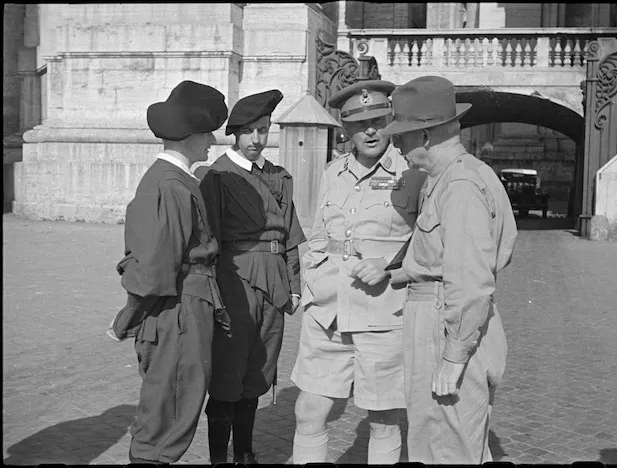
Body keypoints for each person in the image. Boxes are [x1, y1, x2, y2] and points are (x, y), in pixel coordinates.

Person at [380, 75, 518, 464]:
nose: (398, 146)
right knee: (450, 441)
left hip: (446, 323)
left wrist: (454, 356)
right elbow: (446, 256)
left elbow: (470, 279)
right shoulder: (457, 176)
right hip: (446, 316)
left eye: (401, 137)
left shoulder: (458, 186)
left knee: (445, 445)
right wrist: (400, 273)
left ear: (424, 135)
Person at [290, 80, 427, 464]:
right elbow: (319, 236)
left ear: (391, 121)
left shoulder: (413, 173)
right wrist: (312, 282)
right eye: (360, 122)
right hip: (327, 314)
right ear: (345, 128)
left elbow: (429, 239)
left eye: (379, 120)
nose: (370, 130)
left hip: (382, 316)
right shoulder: (333, 172)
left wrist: (390, 265)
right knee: (309, 412)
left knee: (383, 421)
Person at [107, 80, 231, 465]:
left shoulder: (177, 181)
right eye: (207, 132)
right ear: (191, 135)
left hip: (186, 305)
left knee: (175, 404)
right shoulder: (168, 185)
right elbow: (153, 269)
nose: (211, 140)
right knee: (168, 411)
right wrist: (127, 319)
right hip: (176, 309)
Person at [196, 89, 306, 464]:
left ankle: (245, 453)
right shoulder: (217, 178)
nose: (257, 139)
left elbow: (290, 236)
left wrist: (294, 286)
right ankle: (218, 460)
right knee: (229, 374)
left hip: (274, 286)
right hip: (235, 283)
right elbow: (207, 242)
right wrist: (212, 297)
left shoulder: (277, 176)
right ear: (235, 134)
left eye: (263, 130)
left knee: (259, 371)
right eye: (249, 132)